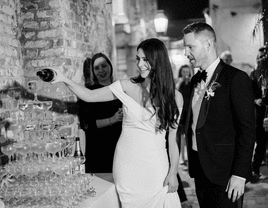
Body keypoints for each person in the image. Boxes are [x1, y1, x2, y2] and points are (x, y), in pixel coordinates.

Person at [50, 38, 183, 207]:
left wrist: (172, 172)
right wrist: (64, 79)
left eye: (145, 60)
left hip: (156, 166)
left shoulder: (175, 97)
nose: (140, 64)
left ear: (157, 60)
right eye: (138, 59)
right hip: (127, 164)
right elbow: (89, 96)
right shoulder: (126, 86)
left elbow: (172, 141)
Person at [182, 22, 255, 208]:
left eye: (190, 46)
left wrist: (240, 174)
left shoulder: (235, 78)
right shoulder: (194, 81)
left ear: (208, 45)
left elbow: (247, 130)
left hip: (225, 173)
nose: (186, 53)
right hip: (200, 170)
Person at [77, 54, 123, 173]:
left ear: (110, 66)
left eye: (104, 66)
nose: (101, 70)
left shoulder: (121, 89)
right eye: (96, 68)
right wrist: (112, 119)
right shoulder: (88, 93)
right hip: (99, 150)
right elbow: (86, 124)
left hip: (121, 147)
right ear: (92, 71)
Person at [249, 46, 268, 183]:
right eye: (259, 57)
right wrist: (256, 100)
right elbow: (249, 92)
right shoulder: (254, 74)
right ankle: (254, 170)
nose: (261, 59)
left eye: (264, 56)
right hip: (259, 113)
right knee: (260, 142)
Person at [176, 64, 194, 166]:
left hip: (189, 111)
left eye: (187, 72)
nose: (185, 74)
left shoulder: (192, 82)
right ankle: (181, 158)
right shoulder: (178, 82)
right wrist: (180, 82)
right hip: (180, 111)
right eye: (183, 72)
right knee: (180, 136)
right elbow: (174, 92)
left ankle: (187, 157)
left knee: (188, 135)